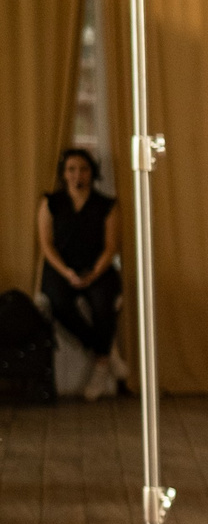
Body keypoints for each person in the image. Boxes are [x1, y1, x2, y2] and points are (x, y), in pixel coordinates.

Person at [36, 148, 127, 401]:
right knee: (58, 302)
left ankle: (100, 367)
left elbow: (111, 247)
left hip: (96, 267)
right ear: (64, 174)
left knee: (103, 303)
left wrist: (92, 274)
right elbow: (46, 245)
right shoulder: (51, 203)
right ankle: (105, 352)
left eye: (84, 169)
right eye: (72, 169)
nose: (78, 175)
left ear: (92, 173)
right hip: (61, 268)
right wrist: (67, 273)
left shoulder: (107, 205)